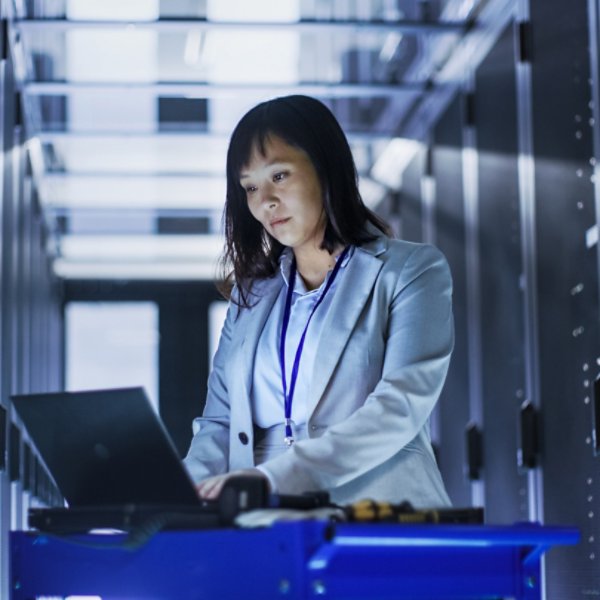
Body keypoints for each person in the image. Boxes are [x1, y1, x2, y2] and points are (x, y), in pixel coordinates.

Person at [184, 95, 454, 508]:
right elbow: (219, 422)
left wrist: (273, 478)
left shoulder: (412, 271)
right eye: (251, 187)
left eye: (279, 176)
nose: (265, 202)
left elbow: (399, 406)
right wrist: (179, 493)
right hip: (265, 522)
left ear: (325, 169)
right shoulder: (250, 297)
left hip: (376, 513)